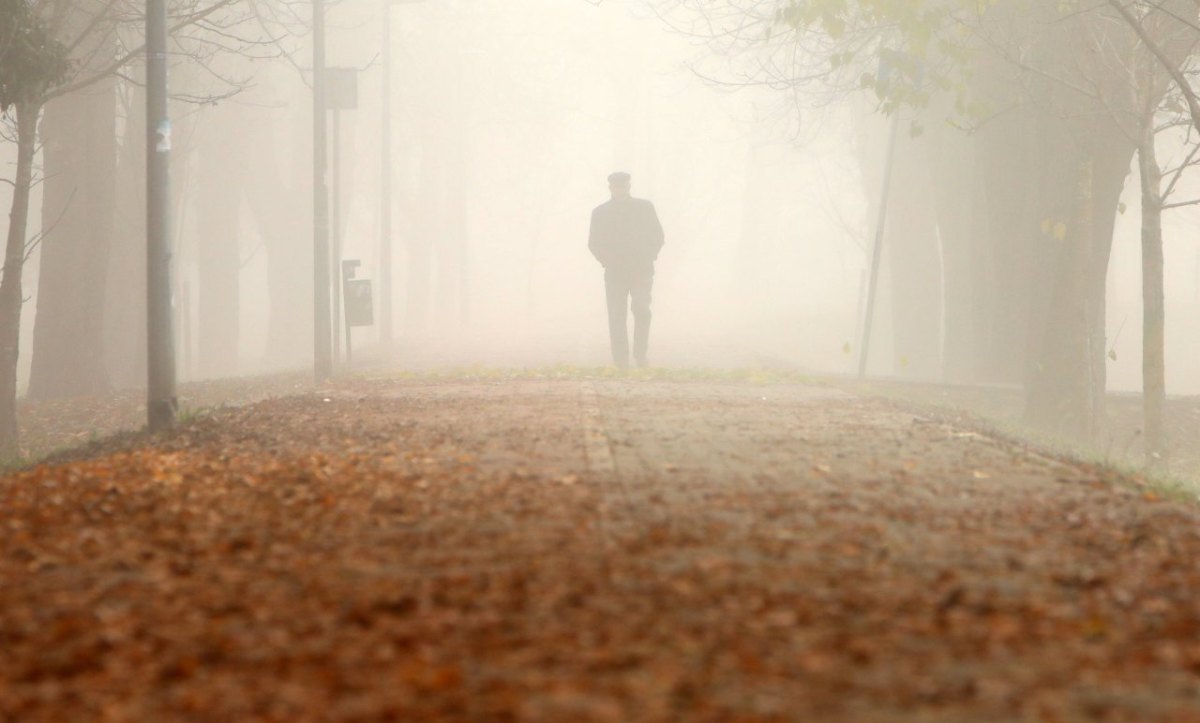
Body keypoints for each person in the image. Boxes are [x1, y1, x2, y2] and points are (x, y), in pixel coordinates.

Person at [588, 171, 664, 369]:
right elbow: (593, 243)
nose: (619, 189)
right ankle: (621, 362)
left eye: (623, 186)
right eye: (616, 186)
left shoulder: (645, 208)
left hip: (642, 270)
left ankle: (640, 355)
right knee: (616, 316)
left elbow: (658, 236)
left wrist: (649, 255)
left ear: (629, 187)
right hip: (614, 273)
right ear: (610, 188)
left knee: (641, 309)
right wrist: (606, 260)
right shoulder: (600, 213)